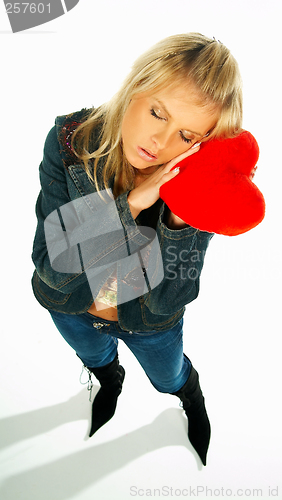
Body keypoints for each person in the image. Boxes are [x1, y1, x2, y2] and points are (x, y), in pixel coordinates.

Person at [31, 32, 243, 466]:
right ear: (135, 87)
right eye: (156, 112)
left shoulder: (197, 188)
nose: (161, 142)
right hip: (71, 310)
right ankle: (109, 382)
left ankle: (191, 398)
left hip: (148, 324)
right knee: (96, 360)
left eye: (186, 135)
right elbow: (54, 268)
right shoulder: (69, 146)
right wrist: (127, 206)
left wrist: (180, 219)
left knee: (170, 379)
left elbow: (169, 299)